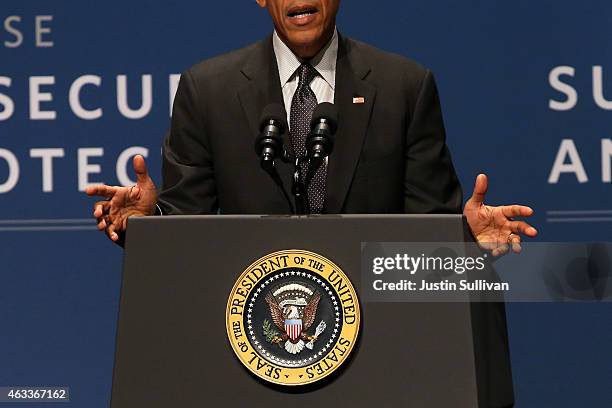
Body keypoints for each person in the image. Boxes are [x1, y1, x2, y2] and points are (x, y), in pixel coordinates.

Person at [87, 1, 536, 405]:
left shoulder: (404, 85)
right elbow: (187, 226)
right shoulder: (208, 90)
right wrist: (149, 223)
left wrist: (465, 239)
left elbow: (428, 224)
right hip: (250, 361)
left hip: (379, 364)